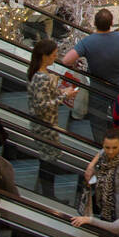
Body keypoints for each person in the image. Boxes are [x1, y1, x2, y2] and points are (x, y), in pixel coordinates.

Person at [27, 38, 76, 197]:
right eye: (53, 55)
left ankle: (50, 194)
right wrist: (63, 97)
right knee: (48, 162)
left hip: (46, 124)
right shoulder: (41, 78)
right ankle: (49, 195)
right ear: (44, 56)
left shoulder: (41, 74)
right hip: (45, 126)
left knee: (48, 161)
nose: (56, 58)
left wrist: (64, 93)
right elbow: (41, 106)